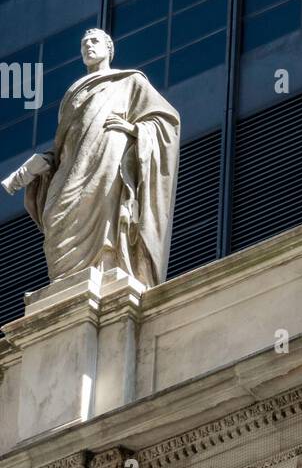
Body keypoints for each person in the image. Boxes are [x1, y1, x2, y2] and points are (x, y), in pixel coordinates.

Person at [2, 27, 180, 288]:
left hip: (108, 159)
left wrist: (134, 130)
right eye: (84, 43)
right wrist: (42, 164)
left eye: (94, 41)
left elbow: (166, 121)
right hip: (72, 170)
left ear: (109, 48)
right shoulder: (72, 94)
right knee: (54, 218)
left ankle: (108, 269)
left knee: (105, 221)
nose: (88, 46)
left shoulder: (129, 81)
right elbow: (64, 144)